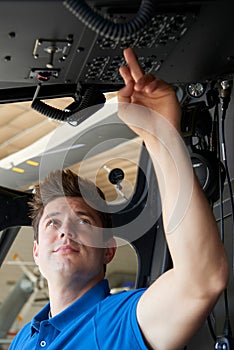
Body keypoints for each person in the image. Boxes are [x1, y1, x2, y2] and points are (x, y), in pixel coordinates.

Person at [9, 48, 229, 350]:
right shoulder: (24, 338)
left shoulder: (124, 320)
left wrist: (160, 135)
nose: (65, 231)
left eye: (83, 220)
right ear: (36, 251)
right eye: (52, 223)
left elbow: (201, 281)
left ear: (108, 249)